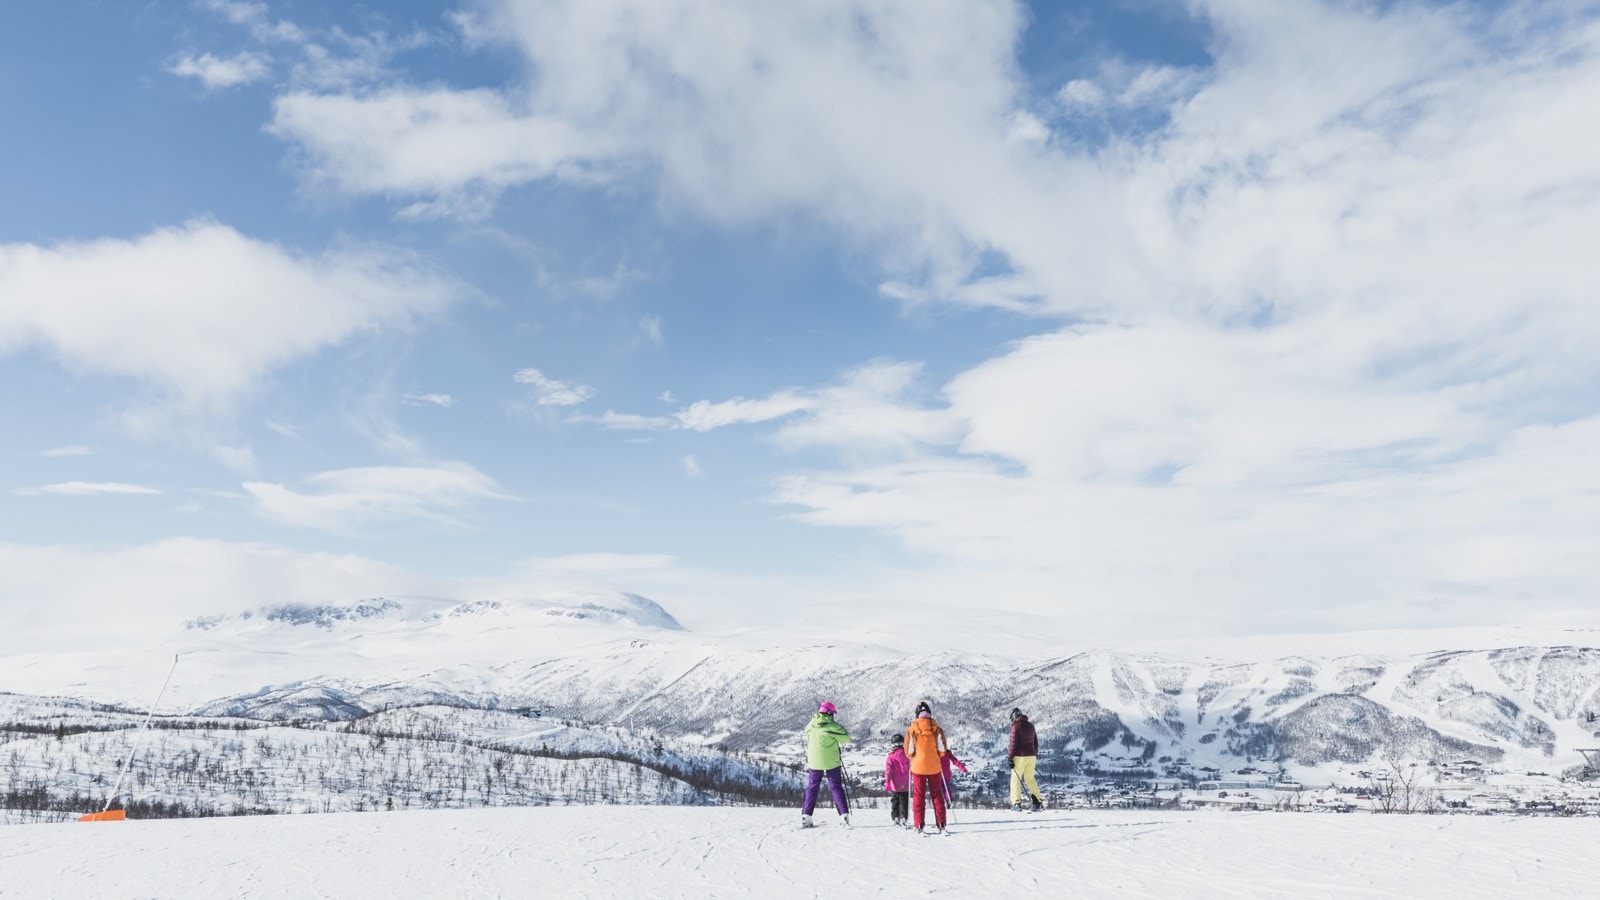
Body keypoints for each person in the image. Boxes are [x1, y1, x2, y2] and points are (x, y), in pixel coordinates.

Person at [802, 701, 851, 827]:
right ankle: (844, 816)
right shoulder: (832, 726)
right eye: (833, 713)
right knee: (836, 787)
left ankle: (806, 816)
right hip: (831, 761)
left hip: (814, 761)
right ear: (829, 713)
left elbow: (807, 737)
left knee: (812, 787)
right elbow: (846, 738)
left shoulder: (810, 725)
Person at [903, 700, 950, 833]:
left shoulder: (912, 730)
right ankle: (941, 823)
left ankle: (919, 824)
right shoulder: (936, 729)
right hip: (934, 767)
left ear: (917, 715)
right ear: (930, 714)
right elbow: (942, 751)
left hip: (918, 768)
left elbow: (909, 753)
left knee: (919, 795)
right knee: (937, 794)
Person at [1008, 707, 1044, 812]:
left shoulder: (1015, 726)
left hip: (1020, 756)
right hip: (1031, 756)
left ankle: (1016, 803)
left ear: (1014, 717)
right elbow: (1035, 742)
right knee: (1030, 779)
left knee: (1015, 779)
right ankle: (1038, 802)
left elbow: (1013, 744)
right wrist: (1034, 754)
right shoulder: (1031, 726)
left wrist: (1010, 757)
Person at [883, 734, 911, 827]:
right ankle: (904, 817)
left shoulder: (891, 756)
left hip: (895, 784)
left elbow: (888, 771)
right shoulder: (908, 755)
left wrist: (887, 782)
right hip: (906, 784)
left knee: (895, 800)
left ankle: (895, 816)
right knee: (904, 801)